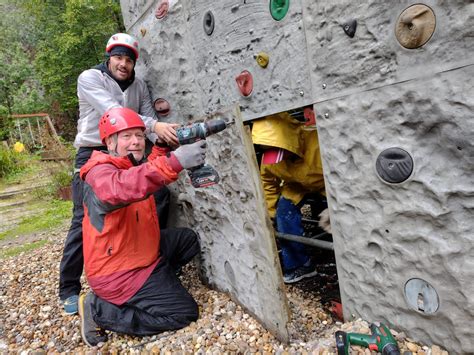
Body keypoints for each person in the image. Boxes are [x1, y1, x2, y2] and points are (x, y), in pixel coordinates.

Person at [59, 33, 180, 315]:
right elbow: (115, 112)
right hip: (93, 150)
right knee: (85, 218)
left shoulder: (138, 85)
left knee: (156, 195)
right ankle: (68, 288)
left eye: (128, 59)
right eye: (118, 57)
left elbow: (149, 115)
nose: (123, 64)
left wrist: (160, 138)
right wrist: (155, 127)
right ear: (108, 57)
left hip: (127, 150)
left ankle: (145, 261)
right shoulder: (90, 78)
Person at [78, 107, 205, 346]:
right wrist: (176, 161)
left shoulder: (126, 165)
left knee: (187, 240)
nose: (136, 142)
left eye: (139, 135)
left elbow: (144, 170)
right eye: (126, 136)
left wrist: (163, 147)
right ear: (110, 141)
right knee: (184, 313)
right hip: (120, 273)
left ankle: (157, 285)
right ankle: (98, 310)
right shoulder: (100, 173)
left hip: (138, 252)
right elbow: (121, 187)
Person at [252, 110, 327, 284]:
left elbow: (342, 171)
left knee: (342, 220)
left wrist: (335, 205)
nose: (273, 155)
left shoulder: (317, 142)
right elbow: (267, 182)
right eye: (267, 150)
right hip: (296, 186)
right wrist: (270, 214)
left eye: (276, 150)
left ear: (289, 141)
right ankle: (300, 265)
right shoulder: (271, 159)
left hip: (327, 184)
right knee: (283, 214)